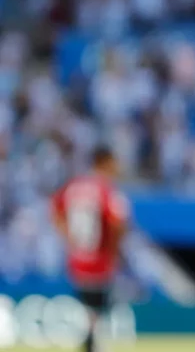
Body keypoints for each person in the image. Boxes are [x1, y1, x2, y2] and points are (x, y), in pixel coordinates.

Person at [51, 146, 130, 352]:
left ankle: (90, 339)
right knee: (100, 303)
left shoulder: (74, 186)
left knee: (88, 305)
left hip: (78, 256)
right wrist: (114, 250)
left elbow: (55, 211)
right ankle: (93, 341)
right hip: (101, 256)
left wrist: (69, 238)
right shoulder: (106, 189)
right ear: (105, 161)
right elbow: (118, 222)